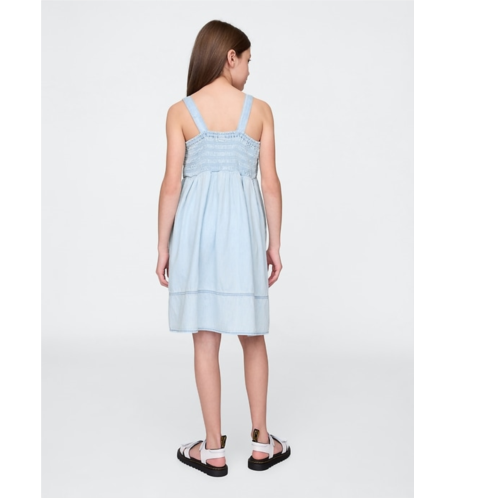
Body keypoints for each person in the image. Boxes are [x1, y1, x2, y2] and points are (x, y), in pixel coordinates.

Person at [156, 20, 290, 478]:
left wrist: (162, 246)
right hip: (244, 234)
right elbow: (270, 184)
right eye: (248, 60)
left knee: (205, 338)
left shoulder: (180, 111)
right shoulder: (260, 111)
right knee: (252, 336)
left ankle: (212, 450)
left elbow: (171, 185)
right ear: (230, 57)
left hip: (195, 235)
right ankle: (262, 443)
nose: (250, 70)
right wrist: (275, 244)